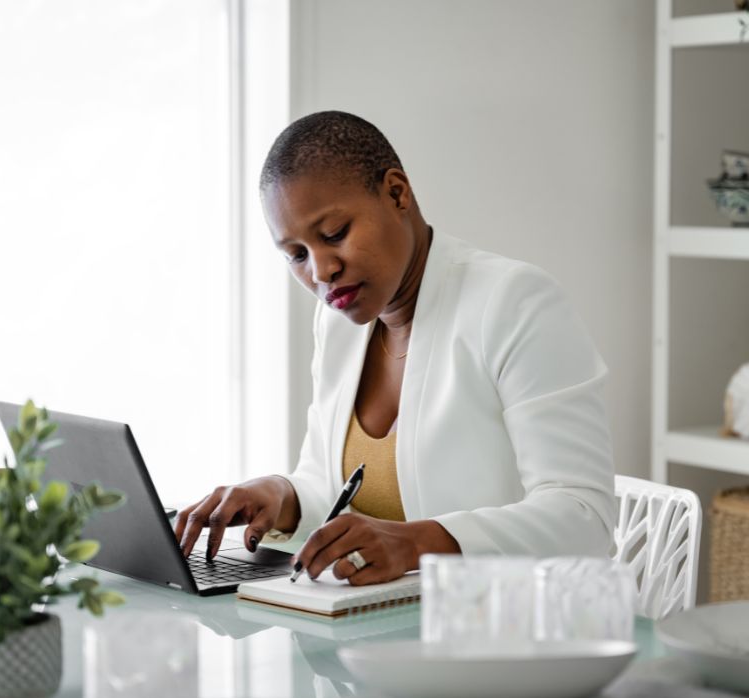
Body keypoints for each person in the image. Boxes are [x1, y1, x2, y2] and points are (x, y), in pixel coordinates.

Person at [175, 110, 615, 586]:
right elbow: (336, 492)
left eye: (334, 235)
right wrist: (282, 498)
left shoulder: (513, 301)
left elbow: (584, 517)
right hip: (380, 627)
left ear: (397, 193)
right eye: (297, 255)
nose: (321, 272)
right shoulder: (338, 322)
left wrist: (415, 543)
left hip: (504, 628)